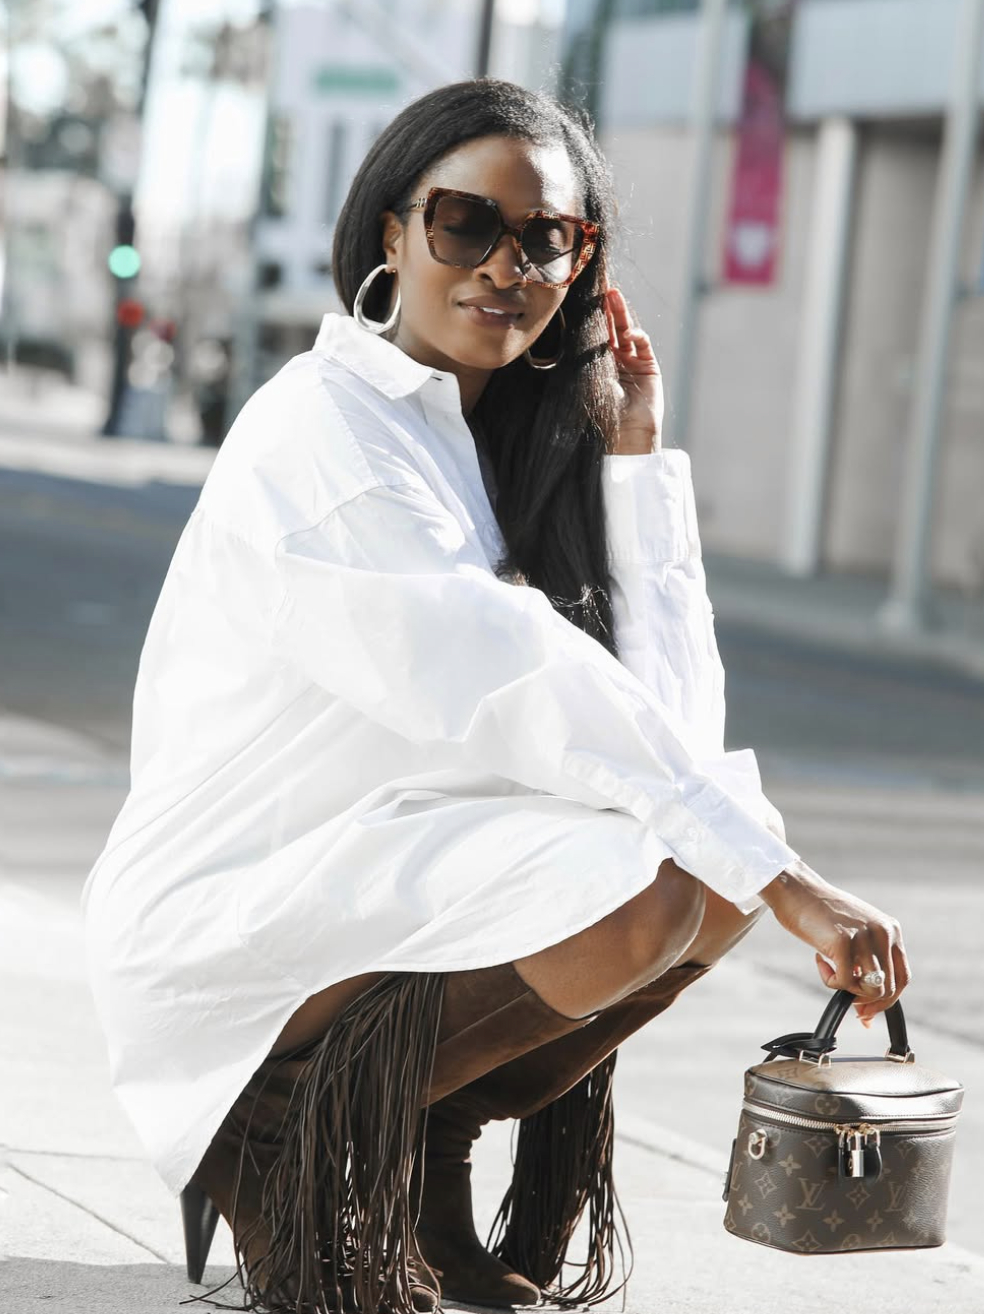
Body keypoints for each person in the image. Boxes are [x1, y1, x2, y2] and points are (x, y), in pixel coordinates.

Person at [81, 78, 911, 1314]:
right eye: (466, 223)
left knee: (707, 872)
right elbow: (511, 670)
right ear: (393, 232)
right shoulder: (324, 429)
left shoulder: (488, 446)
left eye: (546, 238)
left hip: (383, 876)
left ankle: (426, 1151)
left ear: (581, 265)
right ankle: (271, 1129)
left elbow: (676, 733)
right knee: (668, 877)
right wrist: (789, 879)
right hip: (239, 906)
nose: (505, 266)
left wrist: (636, 470)